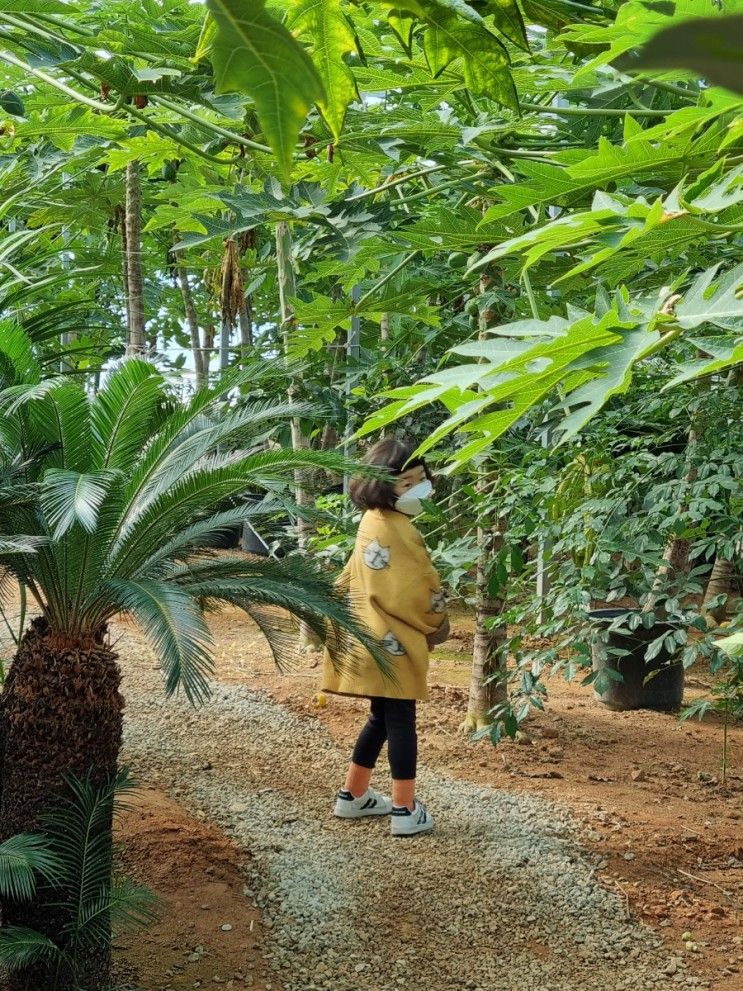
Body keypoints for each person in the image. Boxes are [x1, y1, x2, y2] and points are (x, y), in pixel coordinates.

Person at [320, 438, 450, 836]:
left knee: (381, 717)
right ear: (383, 486)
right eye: (406, 483)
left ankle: (353, 797)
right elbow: (417, 588)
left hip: (368, 637)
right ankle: (405, 810)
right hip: (394, 642)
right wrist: (438, 622)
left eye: (420, 479)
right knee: (400, 721)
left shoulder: (371, 520)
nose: (418, 489)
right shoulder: (400, 531)